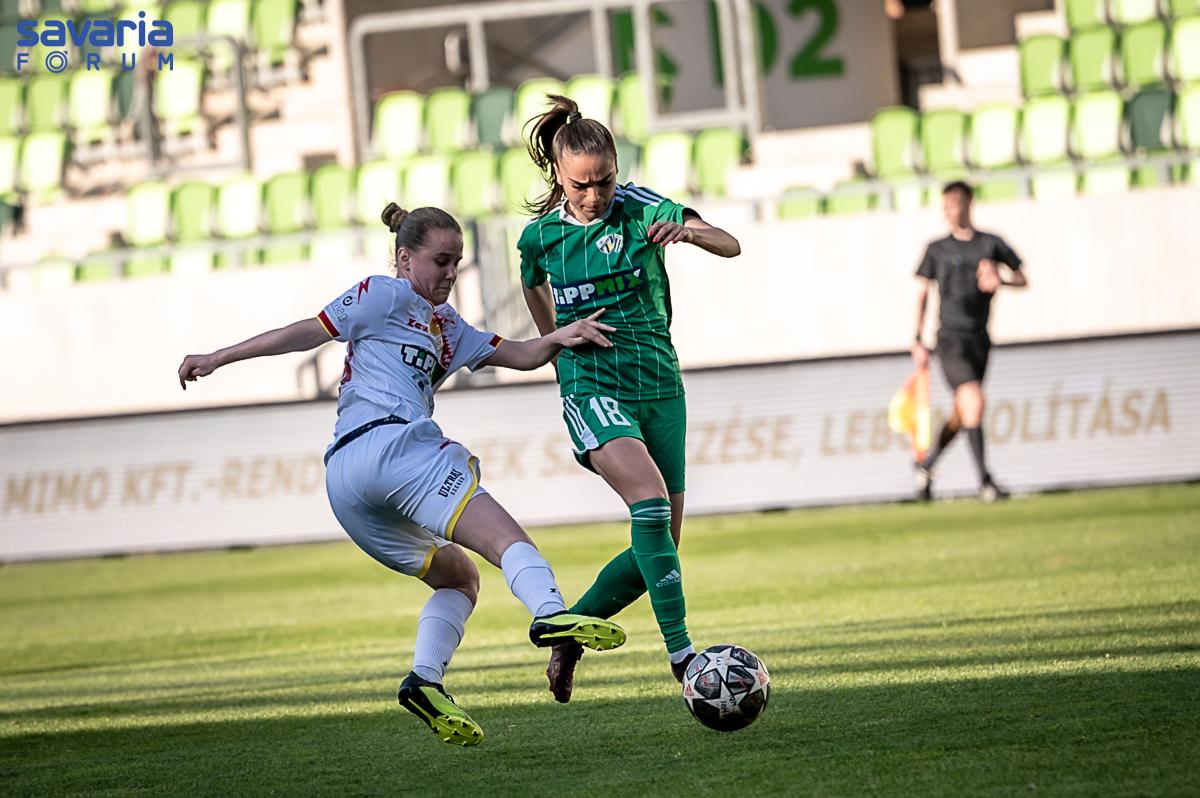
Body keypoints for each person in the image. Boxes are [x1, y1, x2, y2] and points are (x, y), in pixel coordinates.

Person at [177, 203, 627, 747]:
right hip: (394, 448)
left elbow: (522, 354)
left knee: (459, 578)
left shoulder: (449, 327)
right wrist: (219, 357)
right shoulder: (384, 294)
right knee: (507, 541)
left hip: (347, 480)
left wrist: (562, 335)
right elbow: (304, 334)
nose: (450, 273)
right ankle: (550, 615)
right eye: (441, 260)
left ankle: (424, 681)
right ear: (405, 257)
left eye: (457, 262)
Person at [517, 95, 741, 702]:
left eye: (605, 181)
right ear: (559, 176)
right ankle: (683, 655)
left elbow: (730, 244)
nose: (595, 195)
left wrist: (690, 232)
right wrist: (556, 344)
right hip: (592, 385)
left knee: (662, 541)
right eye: (581, 185)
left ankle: (568, 636)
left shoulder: (640, 207)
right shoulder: (541, 237)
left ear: (618, 170)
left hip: (660, 384)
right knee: (649, 502)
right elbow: (532, 284)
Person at [911, 181, 1027, 502]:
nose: (949, 211)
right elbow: (922, 293)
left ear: (967, 204)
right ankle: (985, 482)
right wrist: (917, 339)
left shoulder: (990, 244)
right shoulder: (936, 249)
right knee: (974, 402)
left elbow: (1022, 278)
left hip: (980, 339)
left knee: (963, 414)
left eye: (954, 204)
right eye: (945, 206)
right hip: (950, 339)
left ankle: (925, 466)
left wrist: (1001, 280)